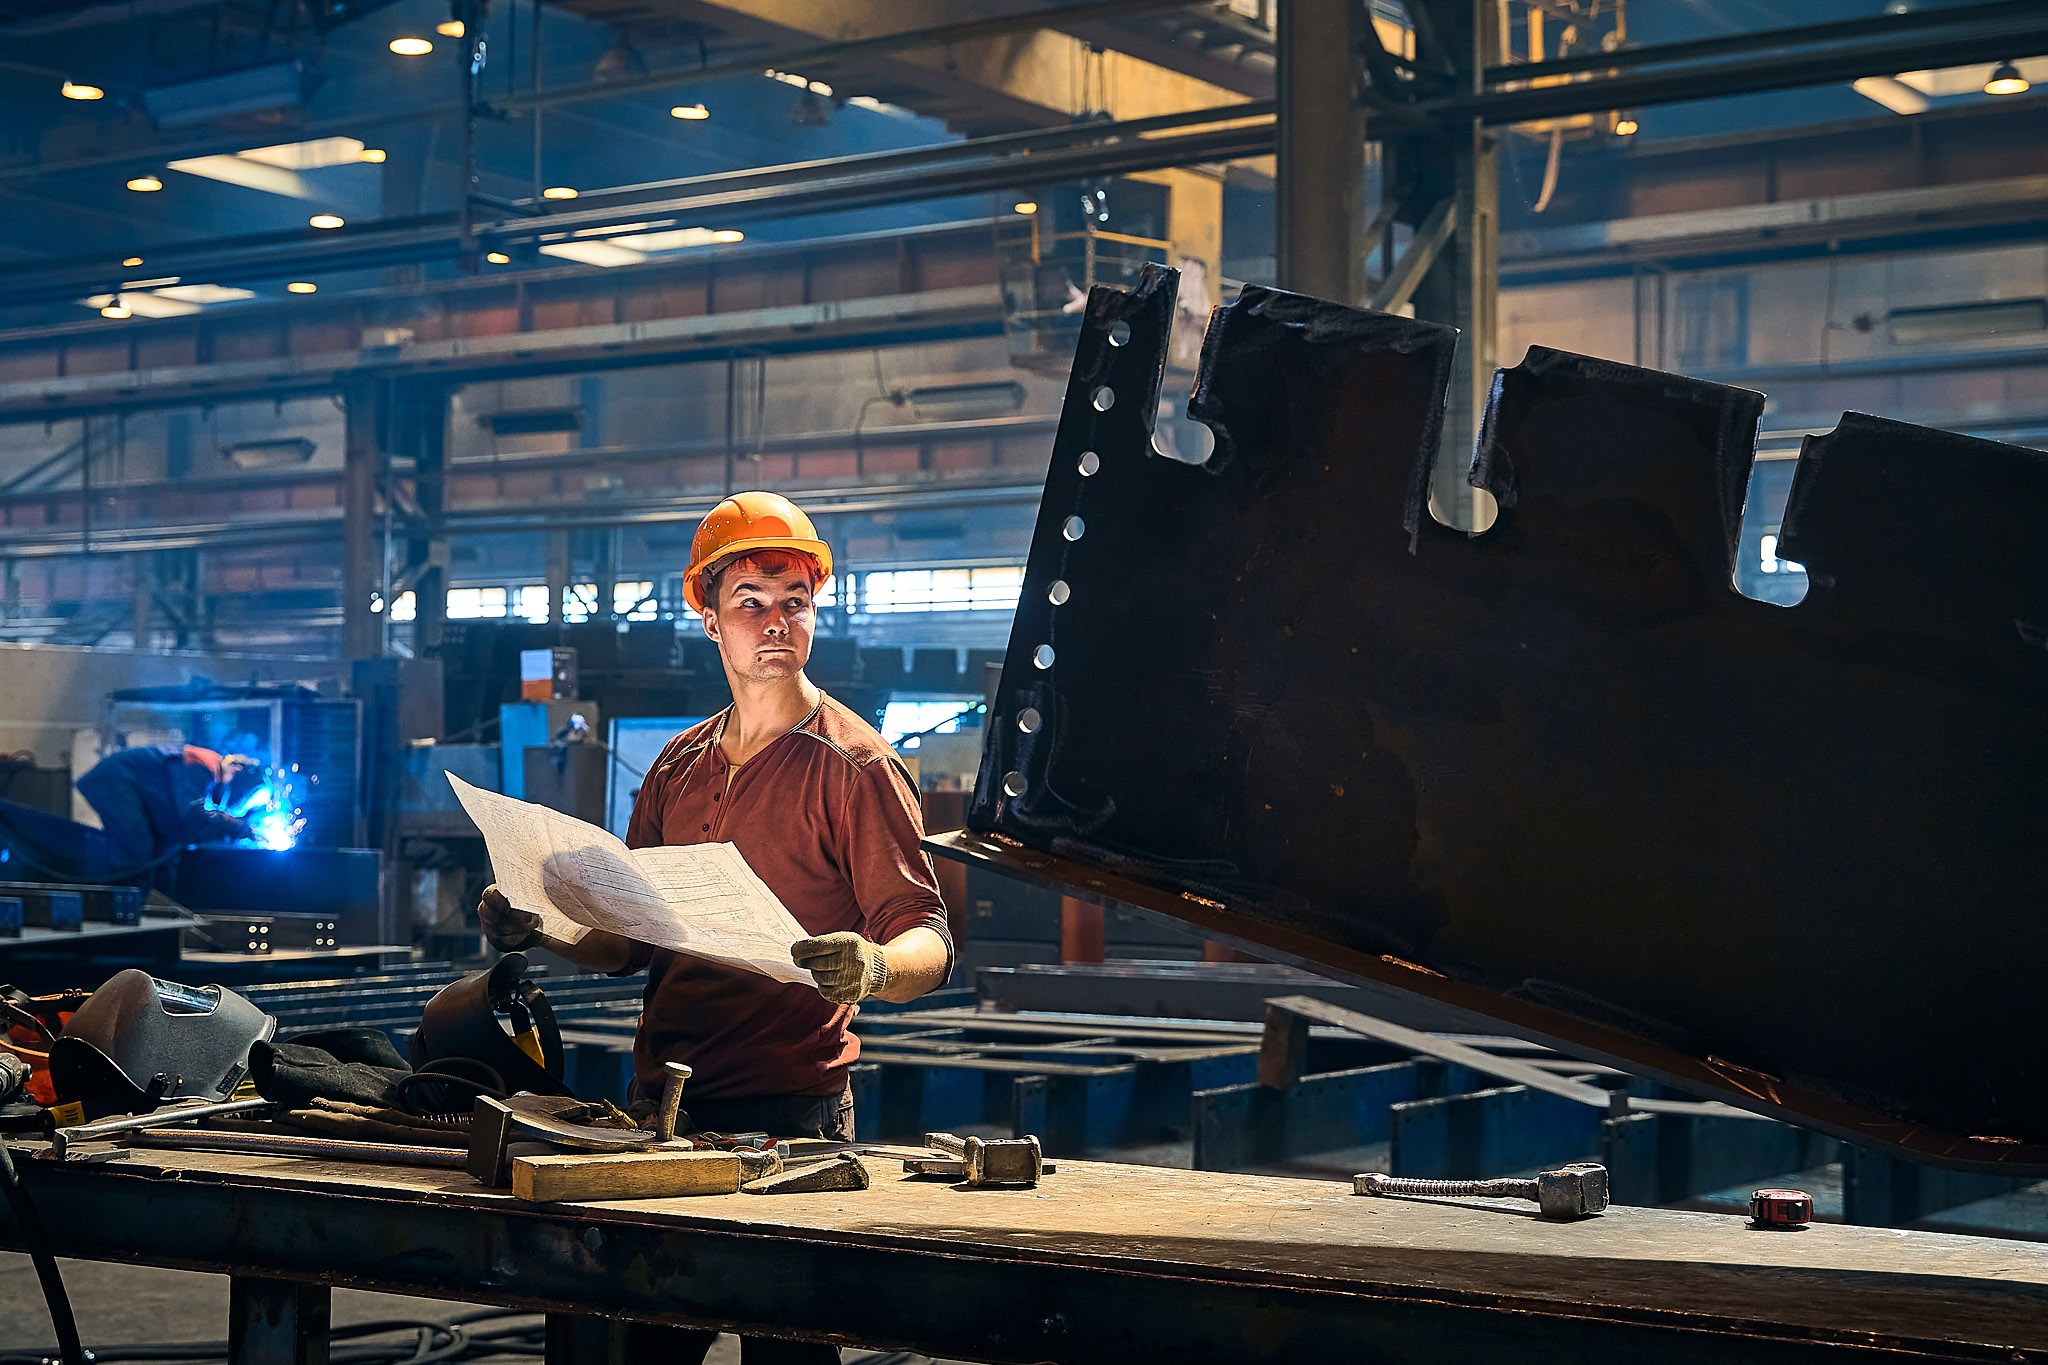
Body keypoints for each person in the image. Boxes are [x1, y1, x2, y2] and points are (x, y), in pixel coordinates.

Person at [476, 491, 954, 1363]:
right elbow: (627, 943)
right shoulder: (680, 764)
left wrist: (876, 965)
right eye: (752, 603)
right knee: (646, 1351)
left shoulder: (856, 766)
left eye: (794, 604)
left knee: (789, 1351)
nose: (777, 622)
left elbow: (927, 932)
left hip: (792, 1113)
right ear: (710, 619)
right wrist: (538, 926)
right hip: (664, 1110)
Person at [75, 744, 256, 876]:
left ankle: (159, 908)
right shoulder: (202, 766)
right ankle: (126, 908)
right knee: (137, 847)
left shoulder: (210, 768)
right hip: (114, 781)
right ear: (237, 770)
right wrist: (238, 827)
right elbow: (192, 814)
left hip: (129, 787)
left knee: (163, 849)